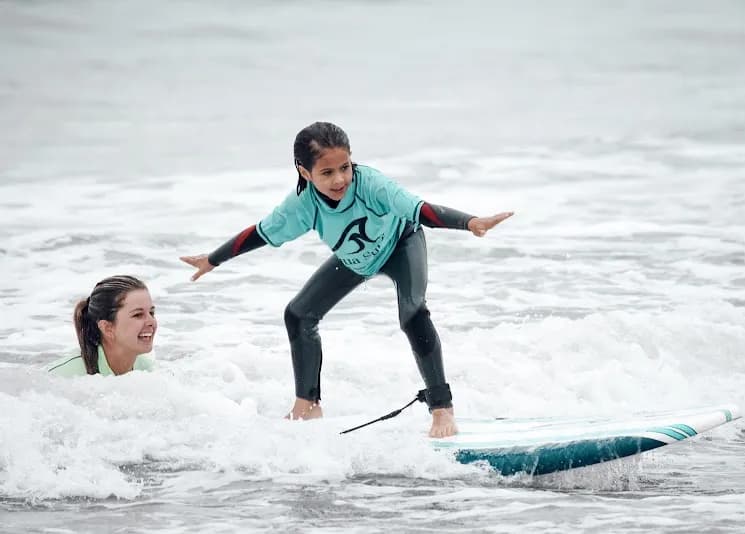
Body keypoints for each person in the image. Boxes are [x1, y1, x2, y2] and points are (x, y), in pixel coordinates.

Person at [180, 122, 512, 437]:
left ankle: (442, 408)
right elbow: (261, 233)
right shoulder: (301, 206)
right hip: (357, 259)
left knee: (412, 314)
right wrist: (213, 259)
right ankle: (308, 404)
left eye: (345, 167)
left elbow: (419, 209)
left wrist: (469, 223)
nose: (340, 179)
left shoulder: (372, 185)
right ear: (304, 172)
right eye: (327, 172)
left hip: (401, 243)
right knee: (299, 315)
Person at [46, 275, 157, 377]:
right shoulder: (64, 376)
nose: (151, 321)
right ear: (107, 328)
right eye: (138, 315)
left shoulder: (146, 370)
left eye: (151, 313)